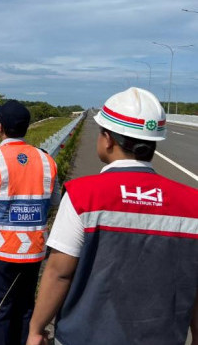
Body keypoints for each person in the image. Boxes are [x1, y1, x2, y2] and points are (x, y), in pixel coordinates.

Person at [26, 87, 198, 345]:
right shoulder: (192, 203)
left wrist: (36, 329)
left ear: (107, 139)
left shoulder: (82, 195)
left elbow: (59, 273)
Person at [0, 99, 60, 345]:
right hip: (34, 249)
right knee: (26, 308)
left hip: (0, 249)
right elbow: (54, 200)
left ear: (0, 127)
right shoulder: (46, 160)